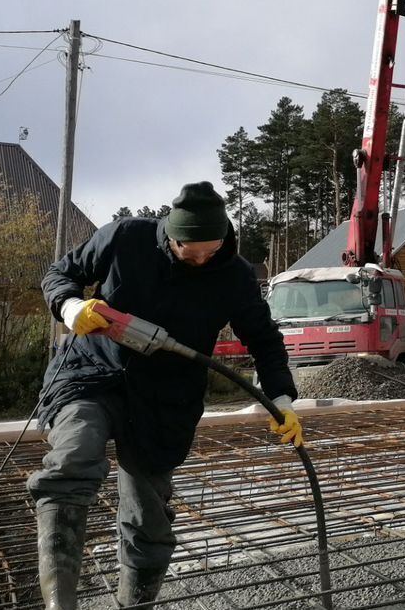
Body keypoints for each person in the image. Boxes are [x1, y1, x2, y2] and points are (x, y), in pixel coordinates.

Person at [28, 182, 302, 609]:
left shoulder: (234, 275)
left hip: (165, 397)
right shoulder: (125, 237)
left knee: (147, 515)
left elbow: (264, 339)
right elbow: (59, 274)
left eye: (209, 251)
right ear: (169, 233)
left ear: (224, 238)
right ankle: (59, 603)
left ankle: (134, 603)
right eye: (187, 249)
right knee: (72, 458)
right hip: (93, 372)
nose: (198, 259)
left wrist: (281, 397)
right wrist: (69, 306)